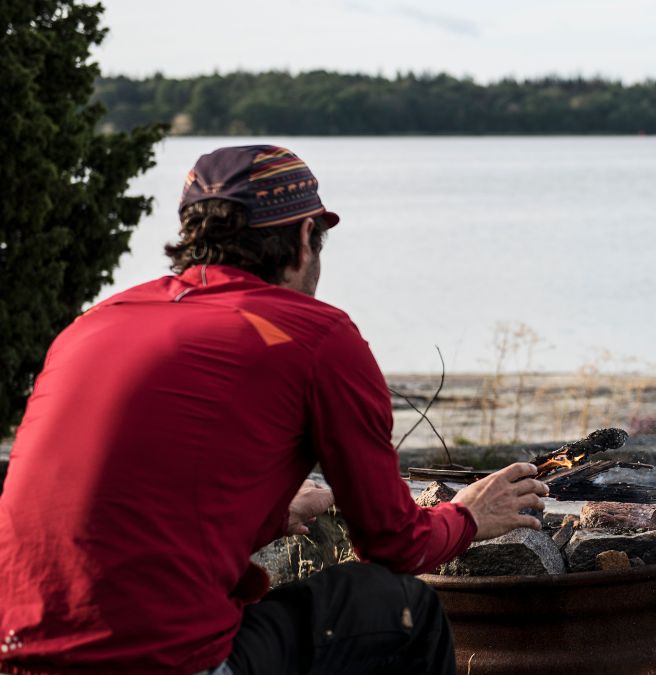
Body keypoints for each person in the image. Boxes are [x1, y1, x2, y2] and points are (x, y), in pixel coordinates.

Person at [0, 146, 546, 674]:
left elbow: (118, 499)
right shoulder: (314, 335)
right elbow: (394, 545)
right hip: (168, 664)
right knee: (400, 608)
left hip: (17, 654)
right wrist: (470, 514)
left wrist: (268, 513)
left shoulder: (91, 326)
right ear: (306, 238)